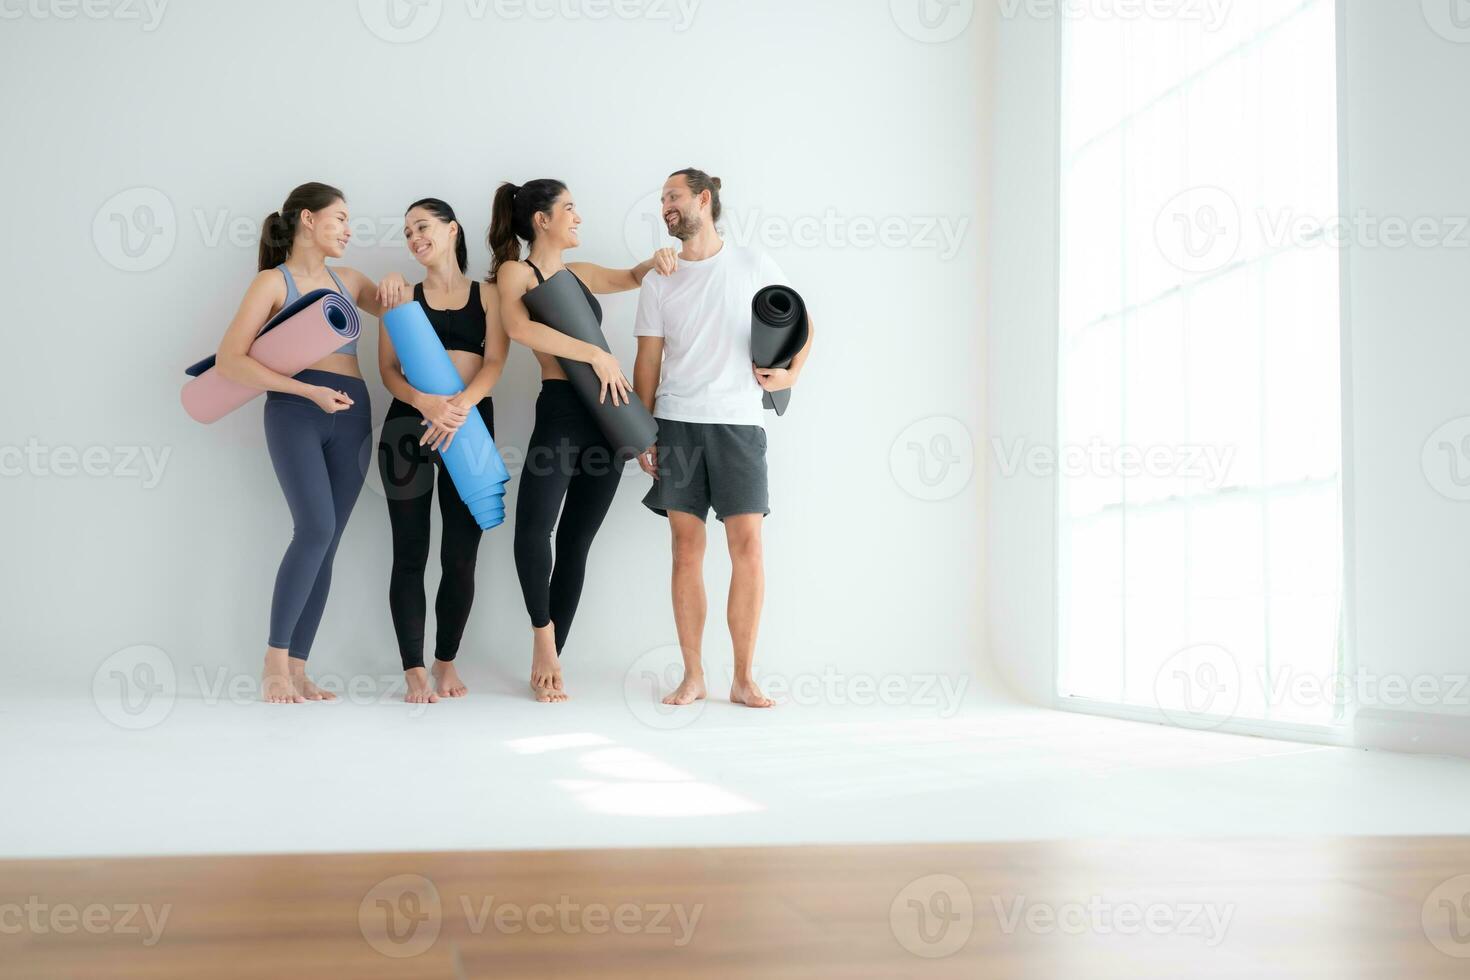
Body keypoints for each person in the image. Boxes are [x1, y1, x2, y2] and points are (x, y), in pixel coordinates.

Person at [215, 182, 409, 704]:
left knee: (328, 540)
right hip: (296, 409)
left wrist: (393, 280)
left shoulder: (348, 279)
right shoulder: (270, 283)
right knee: (314, 527)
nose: (349, 229)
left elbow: (400, 305)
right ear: (307, 219)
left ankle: (299, 667)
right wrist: (307, 390)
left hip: (352, 411)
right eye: (341, 218)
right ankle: (274, 662)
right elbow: (231, 360)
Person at [633, 168, 815, 709]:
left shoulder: (754, 265)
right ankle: (693, 676)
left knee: (748, 548)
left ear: (703, 200)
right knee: (685, 549)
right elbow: (647, 360)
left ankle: (742, 678)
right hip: (678, 424)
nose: (665, 205)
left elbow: (804, 324)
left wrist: (791, 375)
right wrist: (645, 431)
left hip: (739, 422)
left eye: (674, 195)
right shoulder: (657, 281)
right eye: (662, 198)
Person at [489, 178, 676, 702]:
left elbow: (630, 277)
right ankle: (542, 641)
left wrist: (654, 261)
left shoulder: (579, 274)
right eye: (569, 209)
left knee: (576, 543)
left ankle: (553, 659)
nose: (578, 217)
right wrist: (594, 354)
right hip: (561, 412)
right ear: (541, 219)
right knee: (533, 533)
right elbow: (519, 328)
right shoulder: (516, 272)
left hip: (608, 416)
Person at [377, 198, 509, 704]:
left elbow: (496, 361)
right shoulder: (400, 296)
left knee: (461, 556)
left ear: (452, 230)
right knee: (409, 553)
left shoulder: (490, 295)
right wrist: (425, 402)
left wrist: (458, 407)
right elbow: (388, 370)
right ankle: (413, 670)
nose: (414, 238)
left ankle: (445, 661)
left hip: (470, 425)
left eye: (423, 226)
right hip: (408, 428)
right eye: (407, 231)